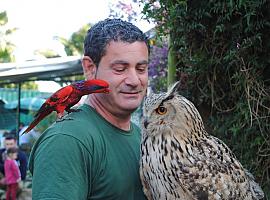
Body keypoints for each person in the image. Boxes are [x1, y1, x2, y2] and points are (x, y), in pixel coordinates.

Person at [29, 18, 149, 199]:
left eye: (141, 69)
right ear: (90, 68)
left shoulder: (143, 137)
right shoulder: (68, 140)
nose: (134, 80)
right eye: (120, 69)